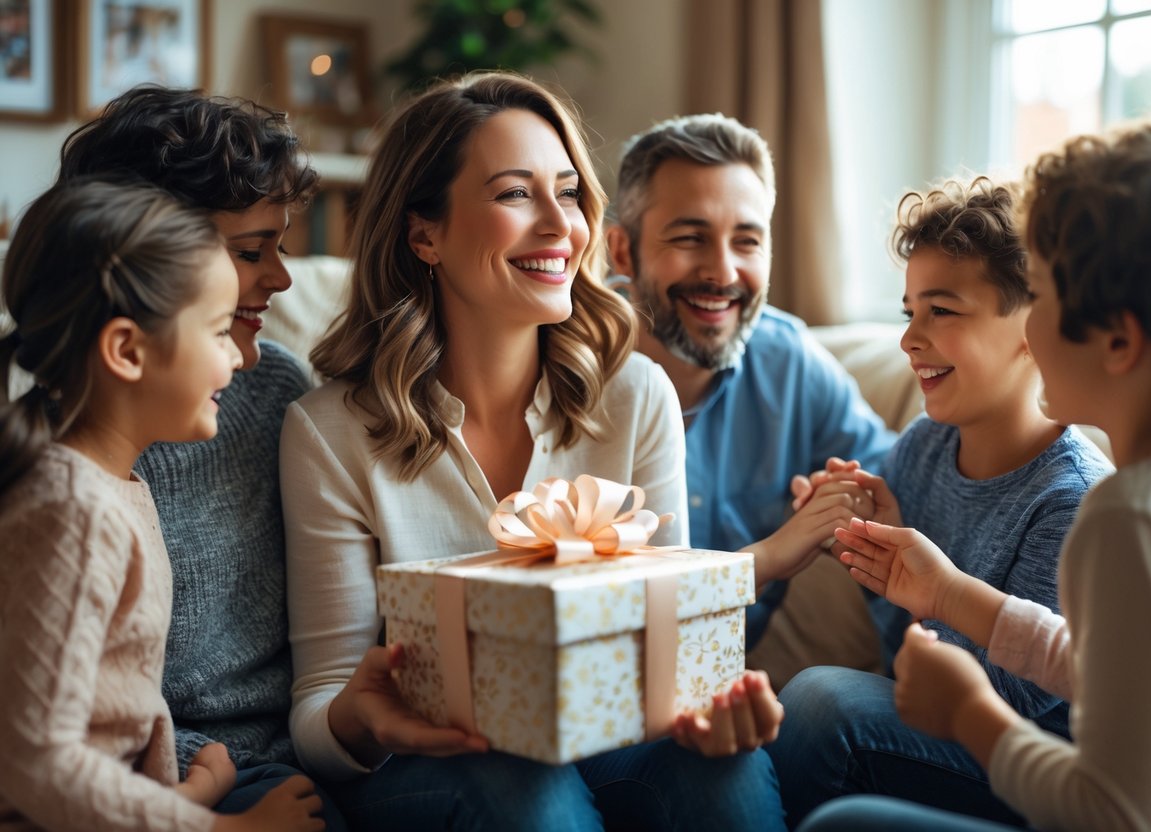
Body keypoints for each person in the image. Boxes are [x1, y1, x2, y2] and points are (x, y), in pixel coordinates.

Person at [279, 72, 786, 831]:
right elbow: (320, 710)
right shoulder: (330, 432)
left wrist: (705, 713)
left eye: (570, 192)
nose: (561, 225)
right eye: (515, 194)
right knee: (517, 786)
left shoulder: (635, 396)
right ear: (425, 233)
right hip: (435, 768)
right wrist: (364, 716)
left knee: (721, 771)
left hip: (604, 744)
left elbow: (666, 647)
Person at [801, 114, 1151, 832]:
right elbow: (1098, 664)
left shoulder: (1124, 517)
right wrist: (930, 584)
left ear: (1117, 339)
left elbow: (1119, 813)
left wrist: (968, 713)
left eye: (1043, 297)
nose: (1030, 326)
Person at [767, 176, 1113, 828]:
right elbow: (903, 649)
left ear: (1031, 327)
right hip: (935, 727)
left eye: (941, 311)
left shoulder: (1070, 501)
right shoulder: (924, 446)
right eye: (908, 313)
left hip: (1025, 762)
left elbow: (1004, 697)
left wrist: (929, 590)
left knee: (819, 702)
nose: (908, 339)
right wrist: (870, 539)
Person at [54, 86, 345, 827]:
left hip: (306, 746)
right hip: (164, 771)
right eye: (251, 252)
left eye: (282, 244)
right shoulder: (66, 460)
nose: (279, 278)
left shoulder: (279, 386)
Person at [0, 180, 322, 831]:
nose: (235, 356)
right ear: (126, 350)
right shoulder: (72, 510)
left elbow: (98, 736)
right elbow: (35, 760)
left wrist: (186, 795)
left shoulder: (110, 488)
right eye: (213, 331)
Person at [606, 113, 897, 648]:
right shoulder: (566, 371)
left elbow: (895, 487)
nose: (722, 272)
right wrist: (772, 555)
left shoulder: (789, 362)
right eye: (691, 238)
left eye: (746, 241)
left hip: (730, 695)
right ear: (622, 251)